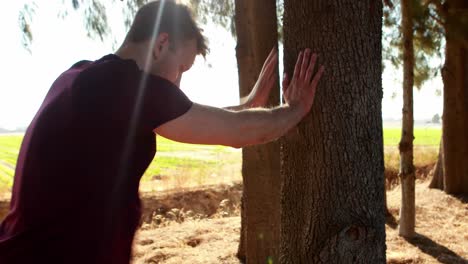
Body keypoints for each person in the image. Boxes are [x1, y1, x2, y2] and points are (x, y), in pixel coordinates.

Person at [0, 0, 324, 263]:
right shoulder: (130, 88)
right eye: (182, 69)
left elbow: (191, 114)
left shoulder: (83, 75)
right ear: (161, 43)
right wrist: (296, 109)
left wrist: (250, 103)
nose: (178, 83)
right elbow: (240, 134)